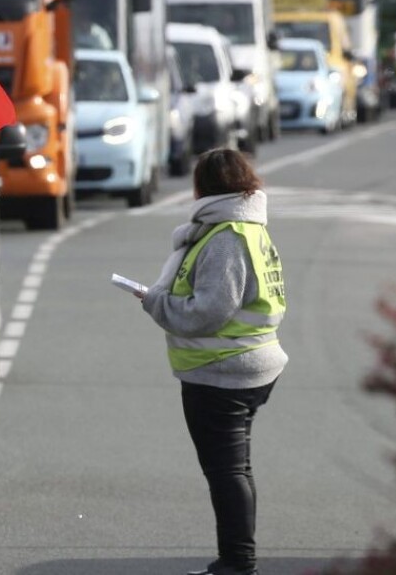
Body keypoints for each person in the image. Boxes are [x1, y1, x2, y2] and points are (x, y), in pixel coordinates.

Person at [136, 148, 287, 575]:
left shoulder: (225, 237)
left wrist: (155, 303)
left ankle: (238, 564)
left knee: (226, 472)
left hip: (225, 370)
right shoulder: (248, 229)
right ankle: (237, 560)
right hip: (245, 364)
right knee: (234, 468)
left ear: (204, 187)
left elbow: (209, 312)